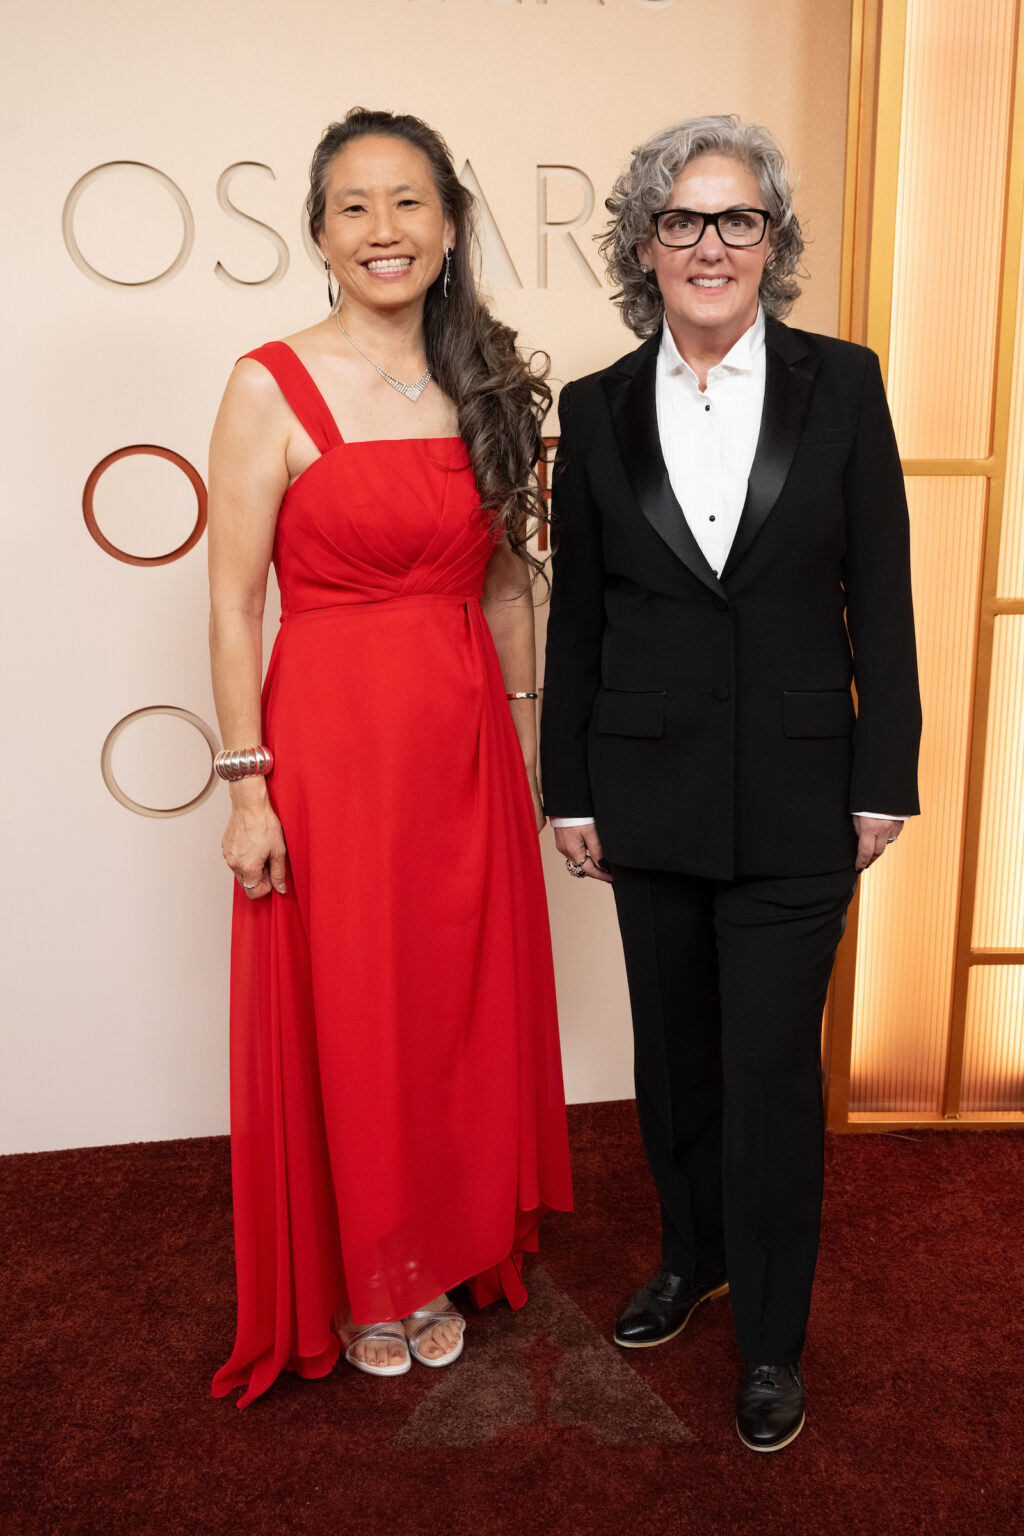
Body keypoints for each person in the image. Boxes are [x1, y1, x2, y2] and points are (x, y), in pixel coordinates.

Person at [540, 115, 920, 1451]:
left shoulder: (848, 384)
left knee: (768, 1076)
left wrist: (889, 778)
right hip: (643, 795)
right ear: (645, 246)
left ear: (775, 242)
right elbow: (577, 616)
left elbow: (882, 588)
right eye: (684, 221)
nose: (711, 246)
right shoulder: (590, 408)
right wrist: (569, 789)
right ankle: (689, 1257)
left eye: (737, 220)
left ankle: (770, 1337)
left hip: (804, 798)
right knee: (676, 1065)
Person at [207, 108, 572, 1409]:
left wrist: (531, 748)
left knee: (451, 1003)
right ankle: (376, 1275)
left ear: (450, 224)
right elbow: (234, 603)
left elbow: (506, 590)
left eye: (407, 202)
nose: (383, 230)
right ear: (318, 231)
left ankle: (451, 1240)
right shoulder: (269, 382)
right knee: (358, 1007)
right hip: (332, 750)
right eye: (354, 206)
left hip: (463, 735)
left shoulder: (479, 379)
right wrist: (248, 787)